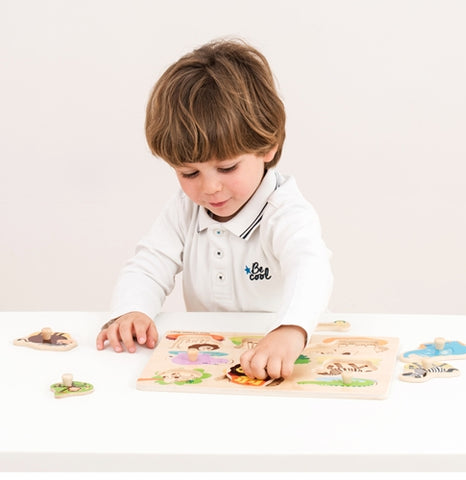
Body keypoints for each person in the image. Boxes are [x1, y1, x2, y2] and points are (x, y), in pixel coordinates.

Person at [96, 38, 333, 380]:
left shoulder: (284, 211)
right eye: (189, 173)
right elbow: (149, 265)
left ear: (268, 146)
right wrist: (132, 310)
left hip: (282, 356)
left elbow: (310, 268)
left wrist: (290, 330)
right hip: (211, 359)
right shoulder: (184, 209)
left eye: (227, 168)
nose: (209, 188)